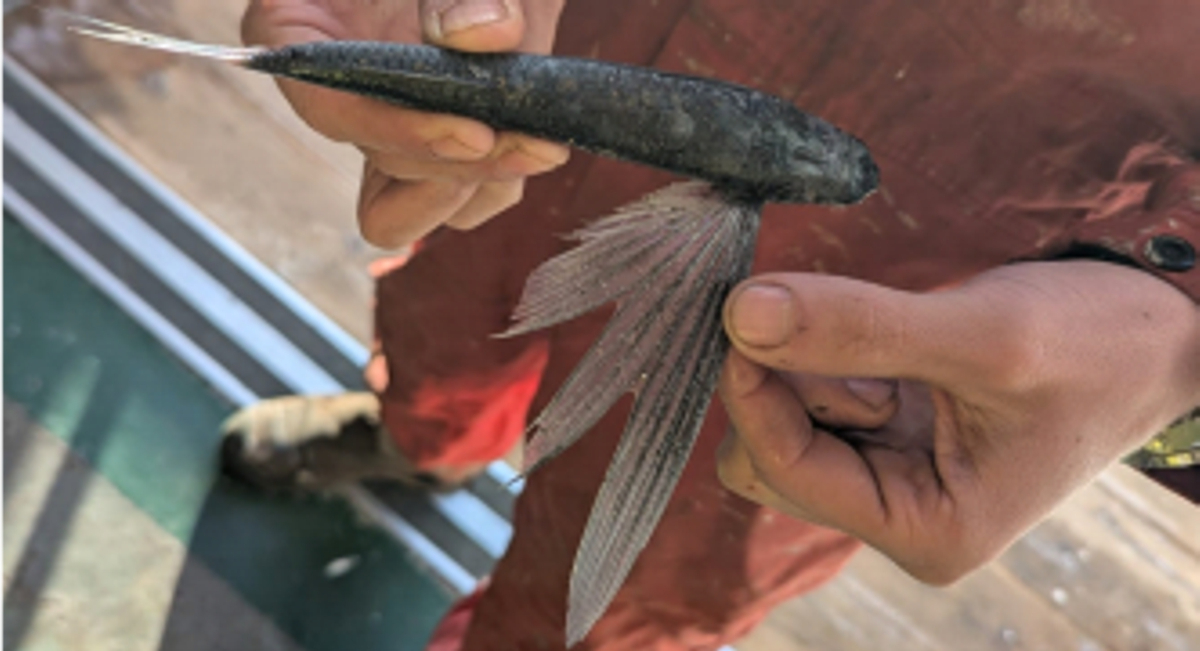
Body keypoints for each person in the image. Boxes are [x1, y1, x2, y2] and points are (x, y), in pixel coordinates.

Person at [221, 0, 1200, 649]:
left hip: (907, 275)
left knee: (628, 573)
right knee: (452, 302)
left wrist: (1177, 331)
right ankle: (425, 435)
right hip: (565, 43)